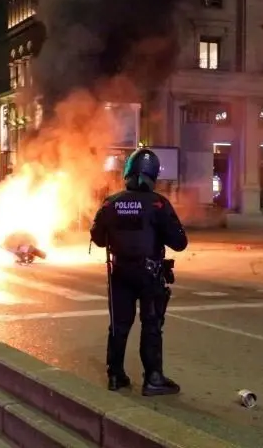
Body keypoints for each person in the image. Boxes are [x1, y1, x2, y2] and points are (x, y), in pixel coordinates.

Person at [90, 148, 188, 396]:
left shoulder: (111, 203)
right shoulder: (158, 204)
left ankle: (115, 376)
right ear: (154, 175)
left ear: (128, 173)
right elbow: (179, 242)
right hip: (149, 274)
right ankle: (153, 378)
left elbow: (98, 239)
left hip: (120, 273)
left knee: (119, 325)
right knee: (152, 324)